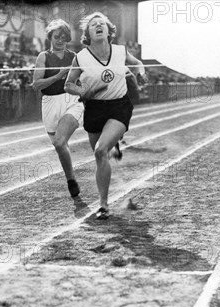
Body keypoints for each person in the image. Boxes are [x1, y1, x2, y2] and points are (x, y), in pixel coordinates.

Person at [64, 12, 146, 219]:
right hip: (94, 109)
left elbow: (137, 64)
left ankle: (103, 206)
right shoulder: (80, 57)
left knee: (101, 150)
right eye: (94, 25)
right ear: (88, 34)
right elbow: (68, 85)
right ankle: (112, 144)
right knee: (100, 156)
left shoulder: (120, 51)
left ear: (109, 31)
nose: (98, 26)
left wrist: (140, 74)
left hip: (119, 106)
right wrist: (83, 92)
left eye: (102, 24)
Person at [32, 19, 84, 198]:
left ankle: (71, 180)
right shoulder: (43, 57)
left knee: (60, 142)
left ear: (68, 38)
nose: (60, 40)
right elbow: (36, 84)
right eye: (56, 37)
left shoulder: (74, 56)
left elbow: (84, 79)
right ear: (50, 37)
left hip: (72, 101)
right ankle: (71, 178)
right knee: (60, 146)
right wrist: (58, 75)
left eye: (63, 37)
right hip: (50, 103)